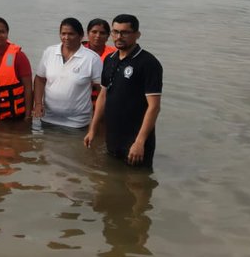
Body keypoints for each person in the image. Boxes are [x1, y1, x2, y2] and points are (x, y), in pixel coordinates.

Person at [85, 14, 163, 167]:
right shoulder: (110, 59)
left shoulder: (148, 63)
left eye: (125, 32)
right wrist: (93, 129)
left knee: (138, 180)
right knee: (110, 178)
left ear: (137, 34)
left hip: (136, 140)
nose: (119, 37)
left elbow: (154, 107)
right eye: (115, 32)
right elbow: (103, 95)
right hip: (112, 136)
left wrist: (139, 142)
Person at [33, 18, 103, 130]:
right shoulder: (49, 52)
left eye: (71, 34)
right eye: (63, 33)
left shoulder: (92, 58)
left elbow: (102, 90)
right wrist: (38, 104)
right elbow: (40, 79)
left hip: (78, 123)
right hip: (47, 118)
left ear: (81, 36)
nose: (66, 37)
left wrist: (96, 119)